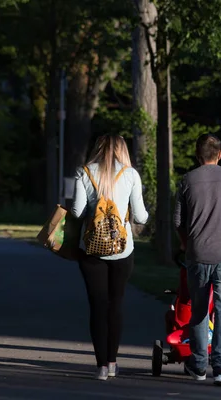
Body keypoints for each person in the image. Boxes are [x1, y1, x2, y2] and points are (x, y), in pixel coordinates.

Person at [71, 134, 149, 381]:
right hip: (122, 250)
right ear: (122, 151)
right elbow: (140, 216)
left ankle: (101, 366)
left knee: (97, 306)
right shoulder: (130, 174)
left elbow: (77, 211)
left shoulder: (84, 172)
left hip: (91, 249)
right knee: (116, 304)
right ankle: (113, 362)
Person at [174, 133, 221, 387]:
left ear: (197, 154)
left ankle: (198, 364)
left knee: (199, 310)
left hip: (198, 254)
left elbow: (178, 221)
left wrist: (186, 243)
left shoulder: (187, 180)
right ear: (220, 154)